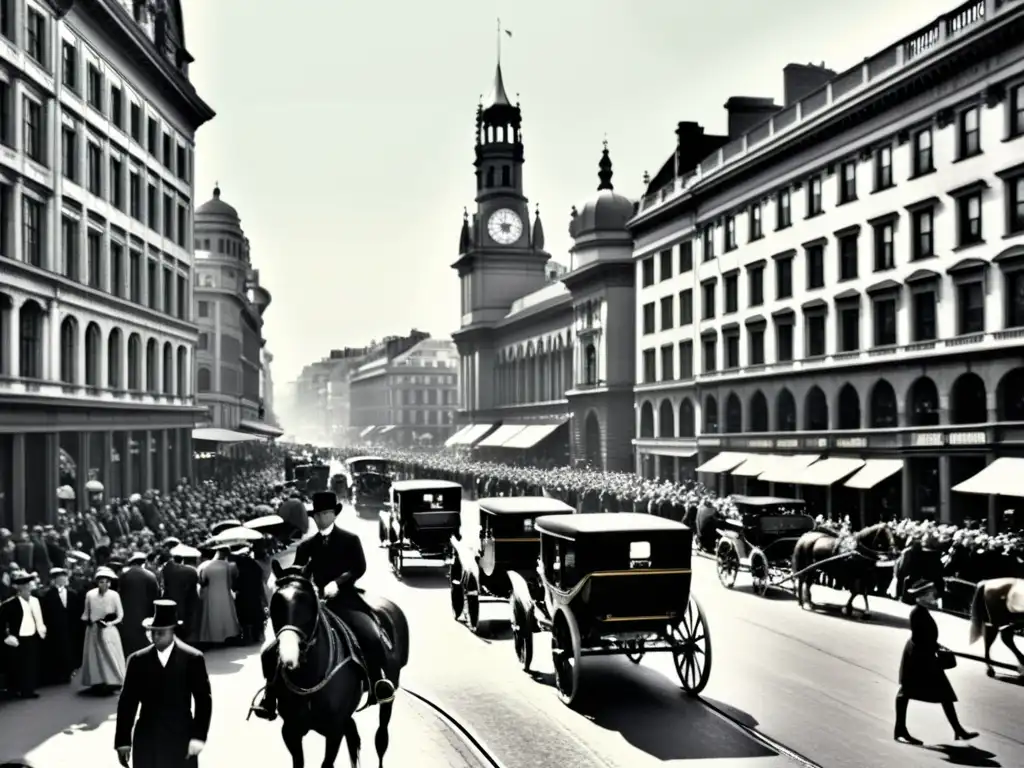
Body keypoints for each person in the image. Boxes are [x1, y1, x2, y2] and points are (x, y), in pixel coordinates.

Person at [251, 491, 392, 721]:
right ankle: (270, 696)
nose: (322, 518)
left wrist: (338, 583)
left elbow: (359, 567)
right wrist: (282, 580)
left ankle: (378, 682)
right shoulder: (306, 546)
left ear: (334, 514)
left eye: (326, 513)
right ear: (314, 517)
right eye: (318, 514)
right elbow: (296, 573)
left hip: (345, 600)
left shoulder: (350, 539)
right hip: (314, 605)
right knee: (272, 649)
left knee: (370, 634)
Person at [114, 600, 212, 768]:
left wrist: (198, 737)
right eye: (153, 632)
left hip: (182, 738)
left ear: (173, 631)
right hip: (147, 738)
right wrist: (123, 741)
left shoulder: (192, 658)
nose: (156, 637)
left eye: (161, 632)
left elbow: (203, 701)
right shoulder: (137, 660)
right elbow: (127, 702)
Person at [894, 581, 979, 744]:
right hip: (918, 657)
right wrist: (935, 650)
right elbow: (920, 639)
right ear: (922, 597)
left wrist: (939, 647)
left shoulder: (922, 611)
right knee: (906, 692)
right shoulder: (917, 613)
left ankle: (958, 730)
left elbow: (927, 638)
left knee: (943, 693)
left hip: (923, 655)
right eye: (931, 594)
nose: (934, 597)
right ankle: (900, 730)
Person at [80, 566, 127, 692]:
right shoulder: (90, 595)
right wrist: (87, 621)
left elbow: (120, 615)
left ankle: (115, 680)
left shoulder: (114, 595)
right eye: (101, 582)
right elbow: (86, 613)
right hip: (93, 629)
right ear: (97, 582)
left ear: (110, 583)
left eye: (107, 582)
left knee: (111, 654)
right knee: (94, 655)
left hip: (109, 630)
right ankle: (97, 680)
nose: (104, 584)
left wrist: (110, 623)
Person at [0, 570, 46, 698]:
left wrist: (41, 630)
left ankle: (29, 690)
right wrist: (6, 636)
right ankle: (15, 689)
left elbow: (40, 618)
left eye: (28, 585)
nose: (27, 588)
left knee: (31, 664)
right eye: (24, 586)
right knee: (17, 665)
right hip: (18, 638)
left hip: (32, 636)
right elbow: (1, 623)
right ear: (18, 589)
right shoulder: (10, 604)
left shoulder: (35, 601)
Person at [38, 566, 84, 685]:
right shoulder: (48, 595)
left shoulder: (72, 594)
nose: (63, 579)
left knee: (69, 649)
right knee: (57, 650)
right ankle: (58, 674)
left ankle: (68, 672)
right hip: (55, 629)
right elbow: (45, 613)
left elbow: (77, 611)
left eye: (64, 576)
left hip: (70, 628)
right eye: (60, 577)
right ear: (55, 579)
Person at [195, 546, 241, 644]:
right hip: (225, 593)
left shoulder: (207, 566)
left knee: (213, 614)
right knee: (226, 614)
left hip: (211, 594)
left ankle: (214, 637)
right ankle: (228, 635)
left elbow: (203, 580)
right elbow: (230, 582)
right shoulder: (227, 566)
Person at [118, 553, 160, 657]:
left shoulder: (124, 576)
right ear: (144, 563)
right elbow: (156, 599)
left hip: (127, 618)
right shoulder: (151, 576)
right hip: (145, 618)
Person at [161, 552, 199, 640]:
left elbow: (165, 587)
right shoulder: (190, 570)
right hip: (188, 596)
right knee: (190, 613)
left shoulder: (167, 570)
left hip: (175, 599)